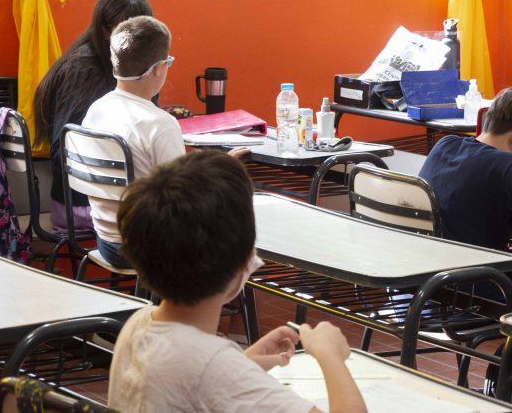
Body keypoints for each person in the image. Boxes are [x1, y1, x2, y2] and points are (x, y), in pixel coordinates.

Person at [110, 151, 364, 413]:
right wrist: (330, 356)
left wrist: (244, 363)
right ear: (244, 262)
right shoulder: (211, 366)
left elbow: (189, 385)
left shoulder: (137, 325)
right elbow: (206, 374)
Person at [418, 86, 512, 292]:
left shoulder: (445, 144)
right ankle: (503, 322)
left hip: (421, 276)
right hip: (468, 283)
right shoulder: (506, 166)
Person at [34, 0, 153, 233]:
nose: (135, 44)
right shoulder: (84, 71)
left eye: (142, 35)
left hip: (97, 198)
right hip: (83, 205)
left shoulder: (132, 64)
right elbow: (63, 148)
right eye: (126, 34)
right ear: (105, 31)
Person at [78, 16, 184, 269]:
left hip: (106, 240)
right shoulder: (160, 124)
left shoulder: (97, 109)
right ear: (159, 67)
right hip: (148, 248)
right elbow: (184, 200)